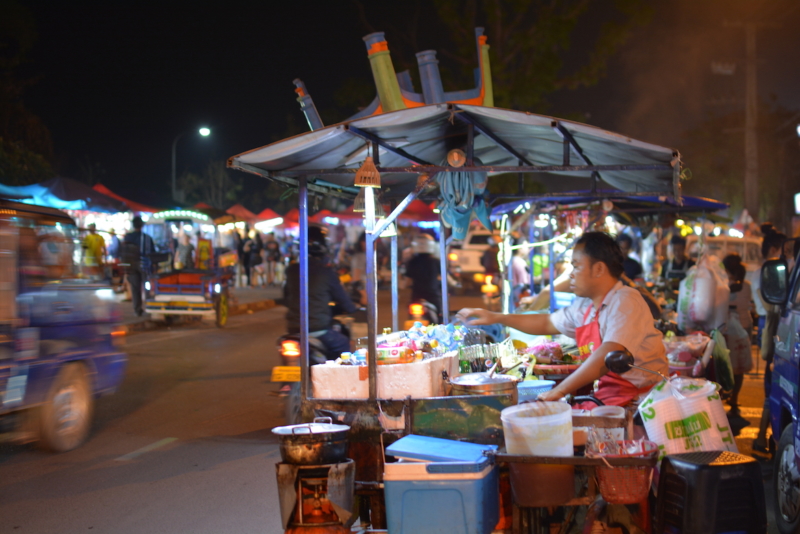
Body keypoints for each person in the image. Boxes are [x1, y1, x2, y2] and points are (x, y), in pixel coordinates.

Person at [457, 231, 668, 407]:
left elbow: (608, 355)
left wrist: (559, 391)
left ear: (599, 269)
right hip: (611, 395)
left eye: (576, 266)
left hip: (641, 402)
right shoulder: (586, 307)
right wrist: (497, 317)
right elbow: (547, 322)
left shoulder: (625, 301)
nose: (571, 275)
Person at [284, 224, 356, 362]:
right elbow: (343, 299)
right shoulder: (326, 272)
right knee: (343, 344)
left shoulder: (291, 270)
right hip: (317, 329)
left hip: (293, 329)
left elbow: (287, 297)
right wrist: (352, 308)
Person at [753, 223, 786, 453]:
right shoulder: (769, 272)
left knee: (773, 379)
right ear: (776, 248)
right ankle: (764, 436)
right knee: (773, 380)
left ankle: (763, 435)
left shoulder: (760, 271)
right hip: (771, 326)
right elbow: (770, 305)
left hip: (768, 325)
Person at [722, 253, 753, 417]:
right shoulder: (747, 285)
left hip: (727, 330)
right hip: (745, 327)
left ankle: (723, 394)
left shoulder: (723, 286)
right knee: (739, 368)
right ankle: (734, 398)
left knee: (724, 364)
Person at [123, 216, 155, 317]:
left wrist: (125, 269)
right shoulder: (147, 238)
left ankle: (138, 310)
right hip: (144, 266)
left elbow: (123, 254)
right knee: (147, 288)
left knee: (135, 288)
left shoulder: (127, 237)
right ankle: (150, 307)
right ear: (142, 225)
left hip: (131, 267)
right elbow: (153, 254)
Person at [404, 234, 442, 317]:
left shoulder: (412, 262)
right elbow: (444, 277)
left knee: (411, 316)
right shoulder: (435, 261)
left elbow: (407, 282)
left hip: (416, 295)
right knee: (440, 315)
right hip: (433, 295)